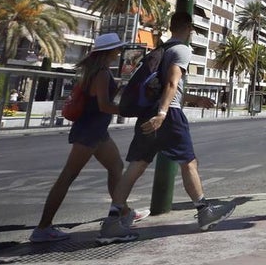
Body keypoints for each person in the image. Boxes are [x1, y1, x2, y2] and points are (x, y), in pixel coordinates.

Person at [97, 12, 234, 244]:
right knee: (188, 163)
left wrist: (193, 99)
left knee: (135, 167)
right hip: (168, 116)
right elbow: (171, 83)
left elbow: (169, 88)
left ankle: (112, 221)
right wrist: (162, 113)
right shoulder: (182, 50)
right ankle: (204, 212)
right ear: (188, 28)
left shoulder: (159, 51)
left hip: (149, 114)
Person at [30, 33, 145, 242]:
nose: (119, 52)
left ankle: (124, 212)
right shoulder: (101, 73)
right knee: (68, 176)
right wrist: (131, 111)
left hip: (97, 130)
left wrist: (119, 88)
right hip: (90, 131)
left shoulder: (97, 71)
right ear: (109, 51)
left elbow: (101, 100)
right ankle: (43, 227)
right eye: (117, 48)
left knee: (116, 167)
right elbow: (104, 105)